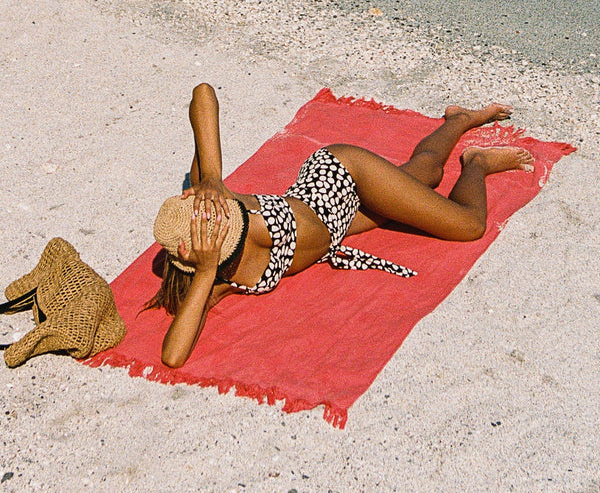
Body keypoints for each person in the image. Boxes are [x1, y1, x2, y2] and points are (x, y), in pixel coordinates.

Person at [151, 83, 534, 368]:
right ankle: (458, 120)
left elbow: (203, 94)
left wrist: (214, 177)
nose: (224, 220)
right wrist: (205, 273)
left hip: (341, 177)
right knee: (426, 173)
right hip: (336, 226)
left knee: (465, 222)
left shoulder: (219, 200)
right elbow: (172, 357)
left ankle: (476, 161)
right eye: (219, 236)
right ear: (195, 258)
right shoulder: (207, 279)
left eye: (225, 215)